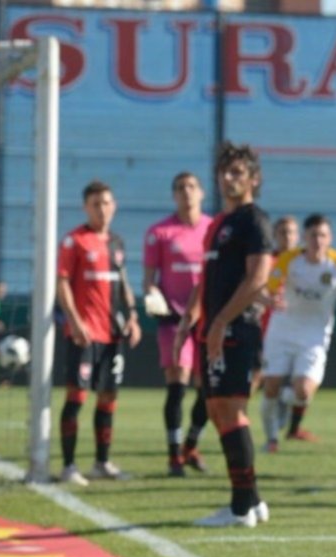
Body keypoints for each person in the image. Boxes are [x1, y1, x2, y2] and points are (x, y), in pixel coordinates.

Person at [175, 141, 272, 527]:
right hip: (210, 328)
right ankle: (253, 500)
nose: (229, 178)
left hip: (237, 330)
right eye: (224, 172)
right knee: (217, 411)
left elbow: (257, 278)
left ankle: (240, 508)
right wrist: (191, 319)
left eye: (237, 172)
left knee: (230, 411)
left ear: (253, 179)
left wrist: (219, 323)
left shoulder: (254, 220)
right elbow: (207, 279)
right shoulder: (217, 224)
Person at [258, 214, 336, 452]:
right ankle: (271, 439)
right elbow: (268, 288)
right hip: (282, 330)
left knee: (303, 392)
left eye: (322, 235)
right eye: (312, 235)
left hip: (314, 337)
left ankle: (283, 400)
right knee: (270, 385)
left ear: (330, 238)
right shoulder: (288, 260)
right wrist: (271, 299)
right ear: (304, 237)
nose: (317, 240)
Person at [55, 180, 142, 486]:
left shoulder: (116, 243)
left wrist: (132, 317)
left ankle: (102, 463)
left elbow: (124, 283)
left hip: (112, 335)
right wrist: (75, 321)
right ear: (85, 208)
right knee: (77, 396)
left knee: (108, 398)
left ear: (114, 206)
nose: (102, 209)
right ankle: (68, 466)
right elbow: (62, 282)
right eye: (95, 204)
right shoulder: (74, 241)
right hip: (84, 333)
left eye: (106, 203)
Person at [142, 172, 212, 477]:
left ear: (202, 193)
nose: (187, 192)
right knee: (177, 383)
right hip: (174, 320)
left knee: (208, 390)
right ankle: (174, 456)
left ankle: (191, 446)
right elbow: (148, 281)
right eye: (181, 188)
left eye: (192, 187)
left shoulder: (214, 228)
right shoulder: (159, 232)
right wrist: (154, 298)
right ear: (174, 195)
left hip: (208, 320)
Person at [261, 215, 301, 436]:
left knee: (301, 383)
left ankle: (294, 429)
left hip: (301, 330)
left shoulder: (306, 262)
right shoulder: (267, 261)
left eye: (291, 232)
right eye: (282, 232)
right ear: (274, 236)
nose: (287, 237)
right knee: (266, 380)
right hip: (268, 329)